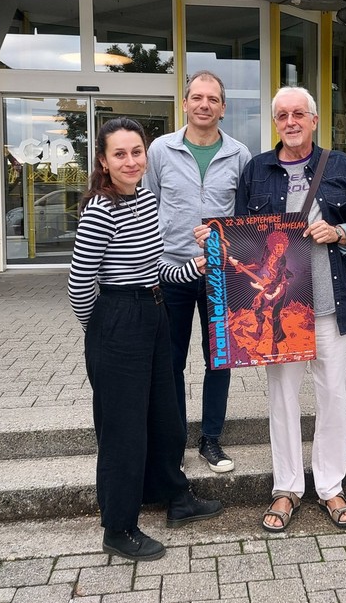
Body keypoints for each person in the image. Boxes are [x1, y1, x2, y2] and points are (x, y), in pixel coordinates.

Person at [68, 117, 223, 562]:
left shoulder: (145, 200)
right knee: (123, 430)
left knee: (164, 416)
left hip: (153, 309)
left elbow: (154, 269)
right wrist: (99, 333)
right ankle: (118, 527)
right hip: (118, 321)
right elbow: (80, 284)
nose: (131, 161)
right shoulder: (100, 209)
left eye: (137, 152)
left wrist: (192, 267)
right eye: (120, 153)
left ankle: (174, 497)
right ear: (103, 160)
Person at [232, 86, 346, 532]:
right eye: (281, 115)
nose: (290, 122)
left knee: (333, 393)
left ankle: (330, 486)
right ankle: (287, 486)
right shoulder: (256, 170)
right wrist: (215, 241)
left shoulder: (342, 166)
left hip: (327, 302)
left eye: (298, 114)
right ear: (275, 122)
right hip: (282, 306)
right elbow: (243, 234)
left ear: (313, 120)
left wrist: (342, 231)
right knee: (282, 397)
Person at [143, 71, 251, 474]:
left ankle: (211, 439)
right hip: (170, 270)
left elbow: (244, 217)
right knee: (169, 359)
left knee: (219, 358)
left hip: (221, 274)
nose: (204, 104)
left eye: (212, 99)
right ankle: (172, 443)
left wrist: (226, 240)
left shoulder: (240, 155)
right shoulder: (160, 150)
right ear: (185, 103)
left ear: (223, 107)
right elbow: (147, 208)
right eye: (197, 97)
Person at [229, 229, 294, 357]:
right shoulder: (267, 251)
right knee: (258, 309)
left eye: (282, 247)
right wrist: (244, 267)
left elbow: (276, 280)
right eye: (277, 247)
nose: (280, 250)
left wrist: (260, 294)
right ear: (272, 246)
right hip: (267, 283)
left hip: (279, 287)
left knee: (276, 315)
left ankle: (275, 345)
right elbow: (261, 264)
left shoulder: (282, 260)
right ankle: (260, 325)